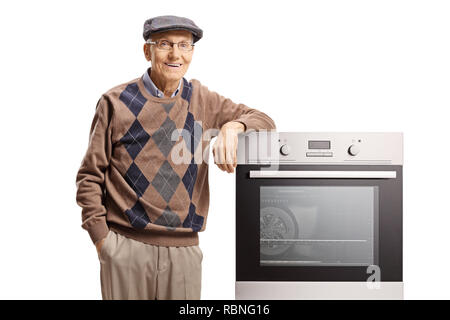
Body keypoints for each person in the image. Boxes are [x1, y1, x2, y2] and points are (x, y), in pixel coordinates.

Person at [75, 15, 276, 300]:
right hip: (126, 247)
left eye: (185, 45)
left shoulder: (202, 100)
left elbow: (265, 120)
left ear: (192, 52)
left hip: (184, 254)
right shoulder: (115, 101)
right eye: (165, 44)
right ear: (148, 50)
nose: (175, 55)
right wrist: (103, 242)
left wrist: (234, 126)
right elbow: (89, 176)